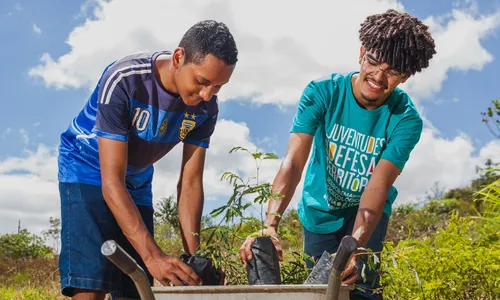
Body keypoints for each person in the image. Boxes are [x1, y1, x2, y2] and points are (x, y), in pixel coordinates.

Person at [239, 9, 436, 300]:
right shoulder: (323, 92)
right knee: (321, 292)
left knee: (360, 290)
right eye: (373, 61)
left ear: (404, 77)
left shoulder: (405, 120)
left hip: (367, 213)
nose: (378, 77)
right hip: (320, 212)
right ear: (361, 53)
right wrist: (270, 225)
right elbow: (293, 162)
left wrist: (355, 245)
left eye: (392, 71)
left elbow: (378, 185)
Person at [57, 20, 238, 299]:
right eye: (202, 81)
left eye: (217, 87)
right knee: (92, 285)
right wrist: (154, 256)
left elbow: (190, 184)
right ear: (179, 58)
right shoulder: (125, 79)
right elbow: (112, 181)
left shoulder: (205, 108)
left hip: (137, 178)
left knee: (137, 288)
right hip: (88, 168)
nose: (207, 94)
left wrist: (197, 263)